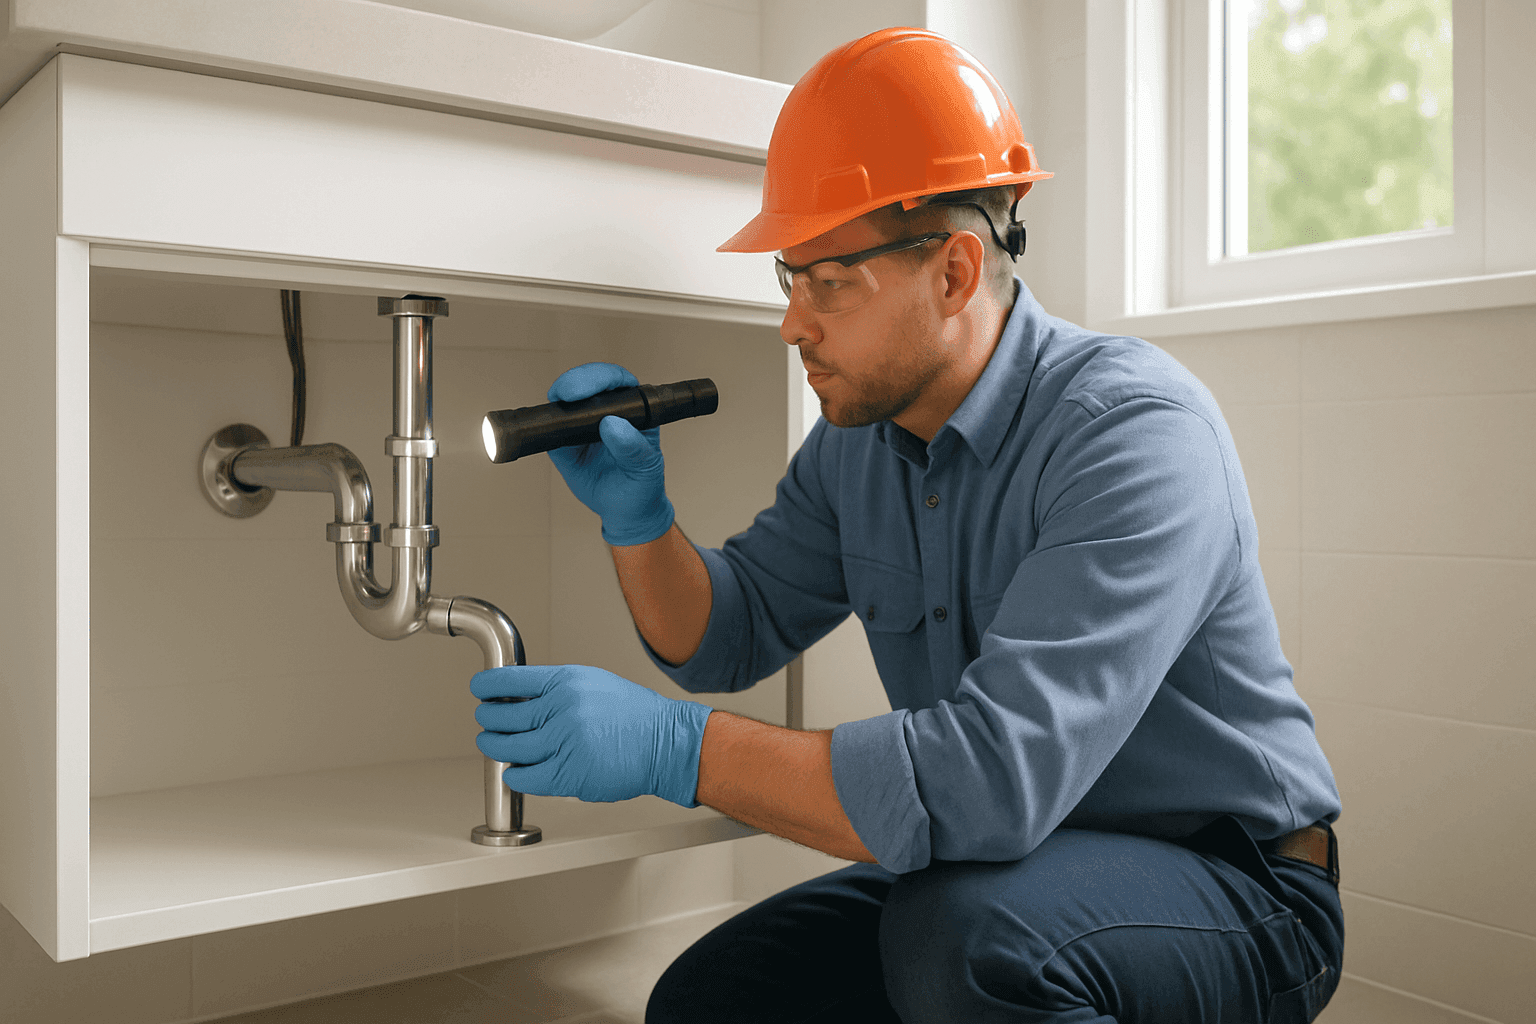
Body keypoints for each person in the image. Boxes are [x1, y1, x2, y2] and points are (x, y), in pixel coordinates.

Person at [472, 26, 1343, 1024]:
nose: (794, 323)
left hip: (1233, 885)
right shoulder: (864, 444)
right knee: (712, 1001)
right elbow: (727, 633)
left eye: (829, 280)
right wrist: (639, 518)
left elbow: (990, 779)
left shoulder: (1134, 436)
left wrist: (680, 748)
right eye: (788, 277)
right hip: (1011, 865)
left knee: (969, 942)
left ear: (956, 273)